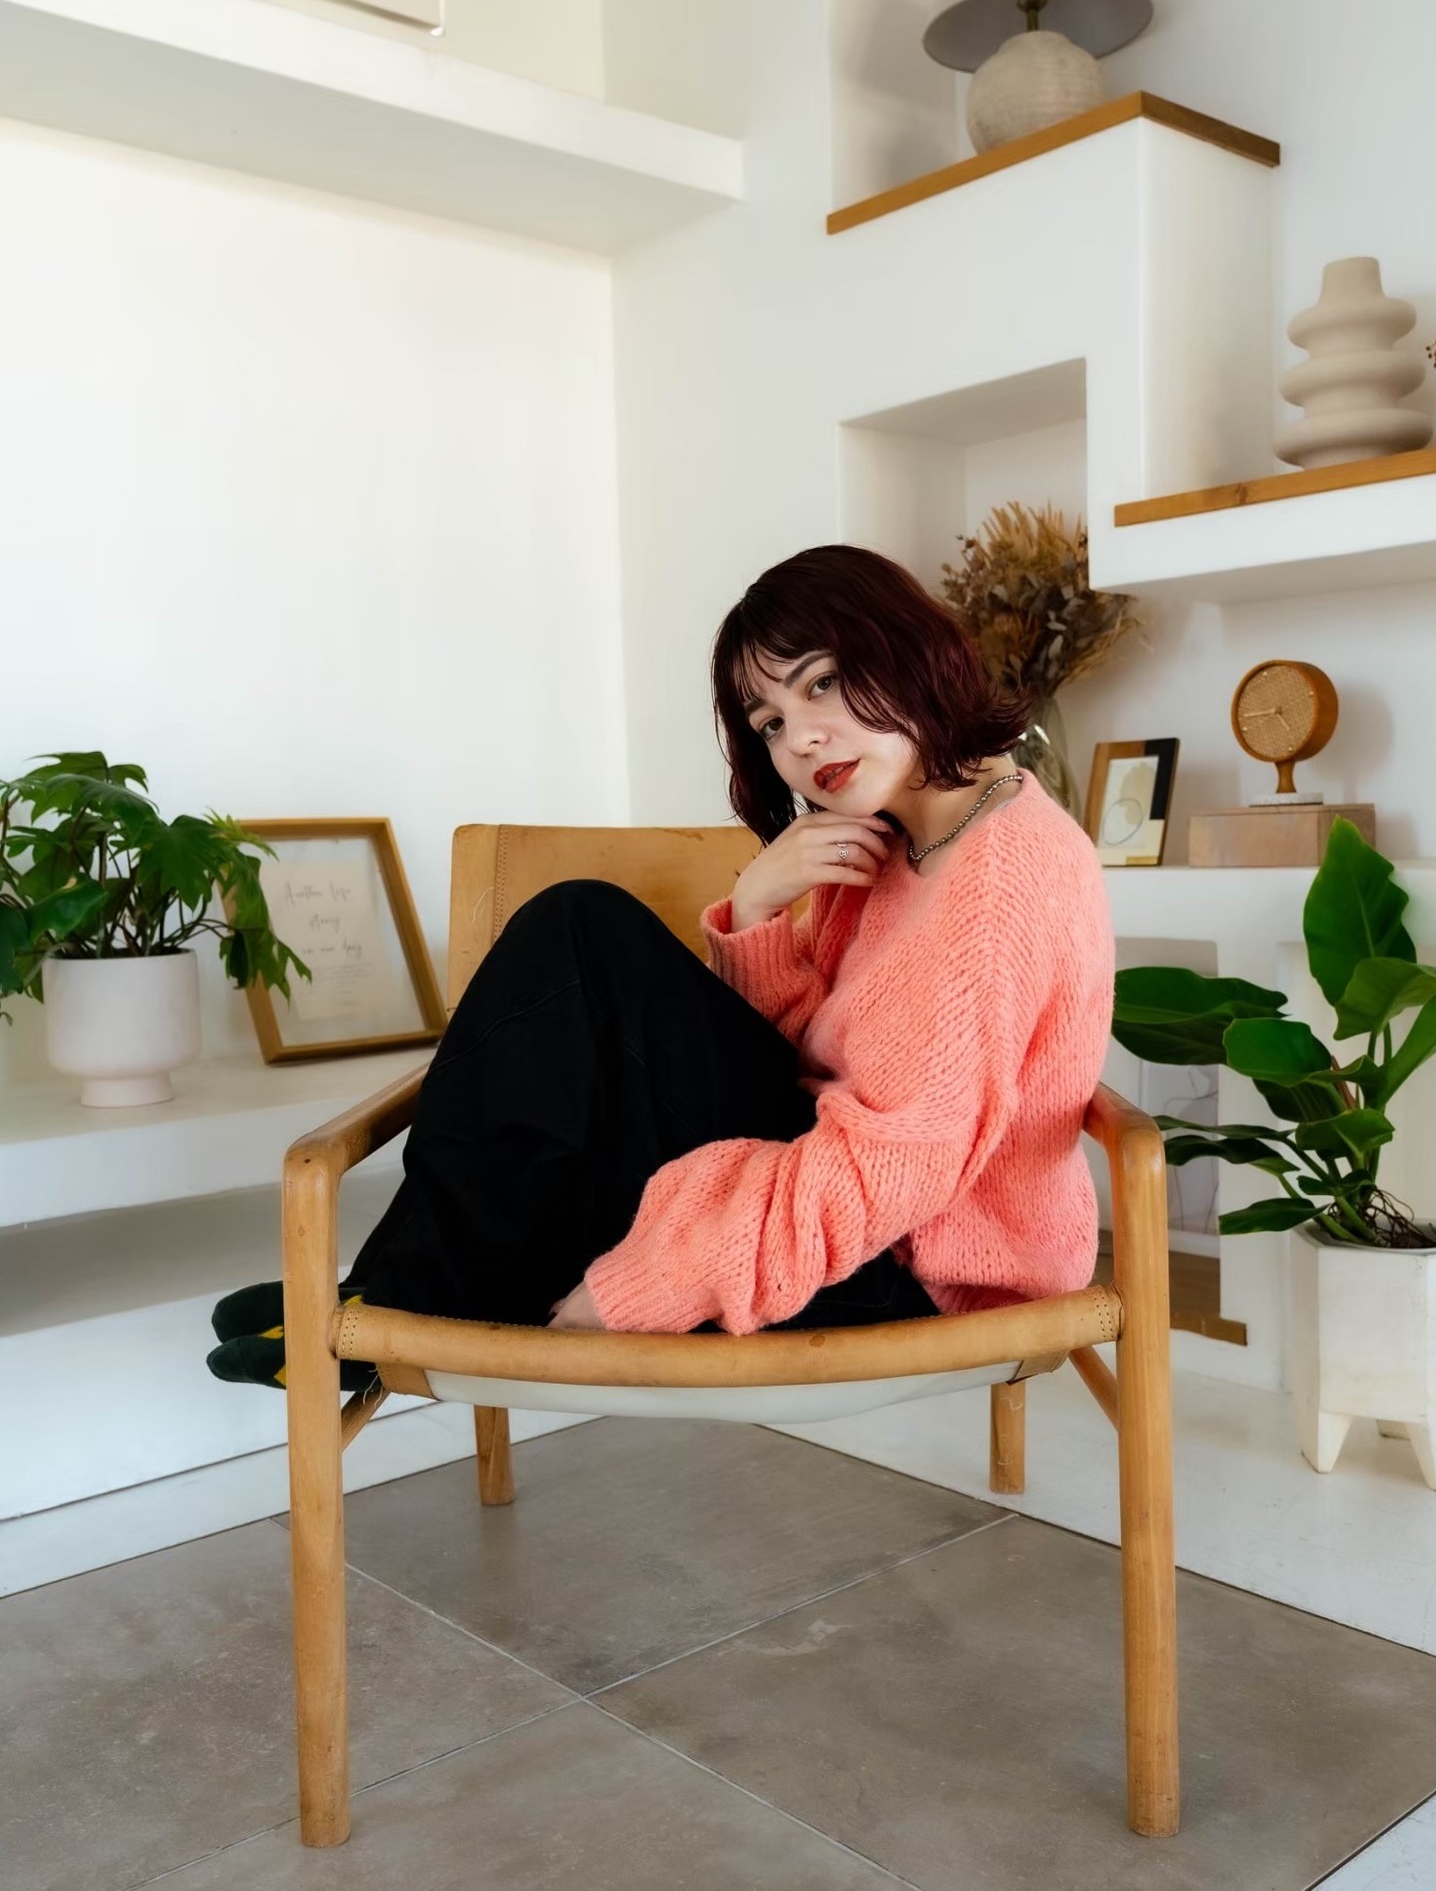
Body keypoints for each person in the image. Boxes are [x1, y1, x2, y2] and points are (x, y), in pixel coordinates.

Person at [208, 544, 1114, 1390]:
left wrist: (647, 1287)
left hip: (920, 1266)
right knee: (580, 927)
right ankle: (394, 1289)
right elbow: (808, 1059)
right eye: (771, 722)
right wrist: (758, 911)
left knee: (582, 935)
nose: (800, 740)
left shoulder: (1002, 875)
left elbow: (892, 1170)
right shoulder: (891, 839)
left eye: (824, 683)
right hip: (834, 1195)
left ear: (910, 650)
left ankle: (402, 1302)